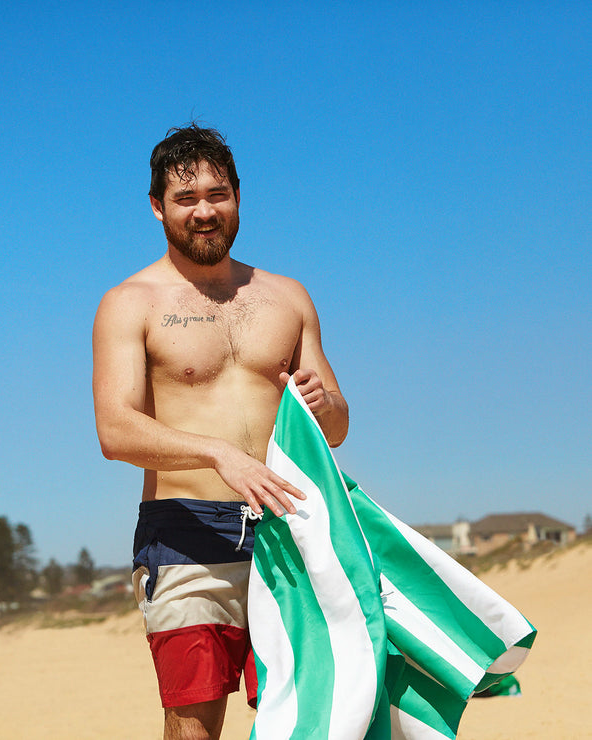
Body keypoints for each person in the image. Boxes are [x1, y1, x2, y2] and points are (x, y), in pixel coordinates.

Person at [92, 124, 349, 740]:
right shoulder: (131, 302)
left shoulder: (287, 297)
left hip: (288, 528)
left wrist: (327, 401)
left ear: (238, 195)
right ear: (158, 207)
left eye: (218, 194)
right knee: (195, 720)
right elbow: (115, 429)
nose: (205, 211)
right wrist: (218, 453)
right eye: (186, 199)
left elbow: (336, 427)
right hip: (185, 533)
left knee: (300, 713)